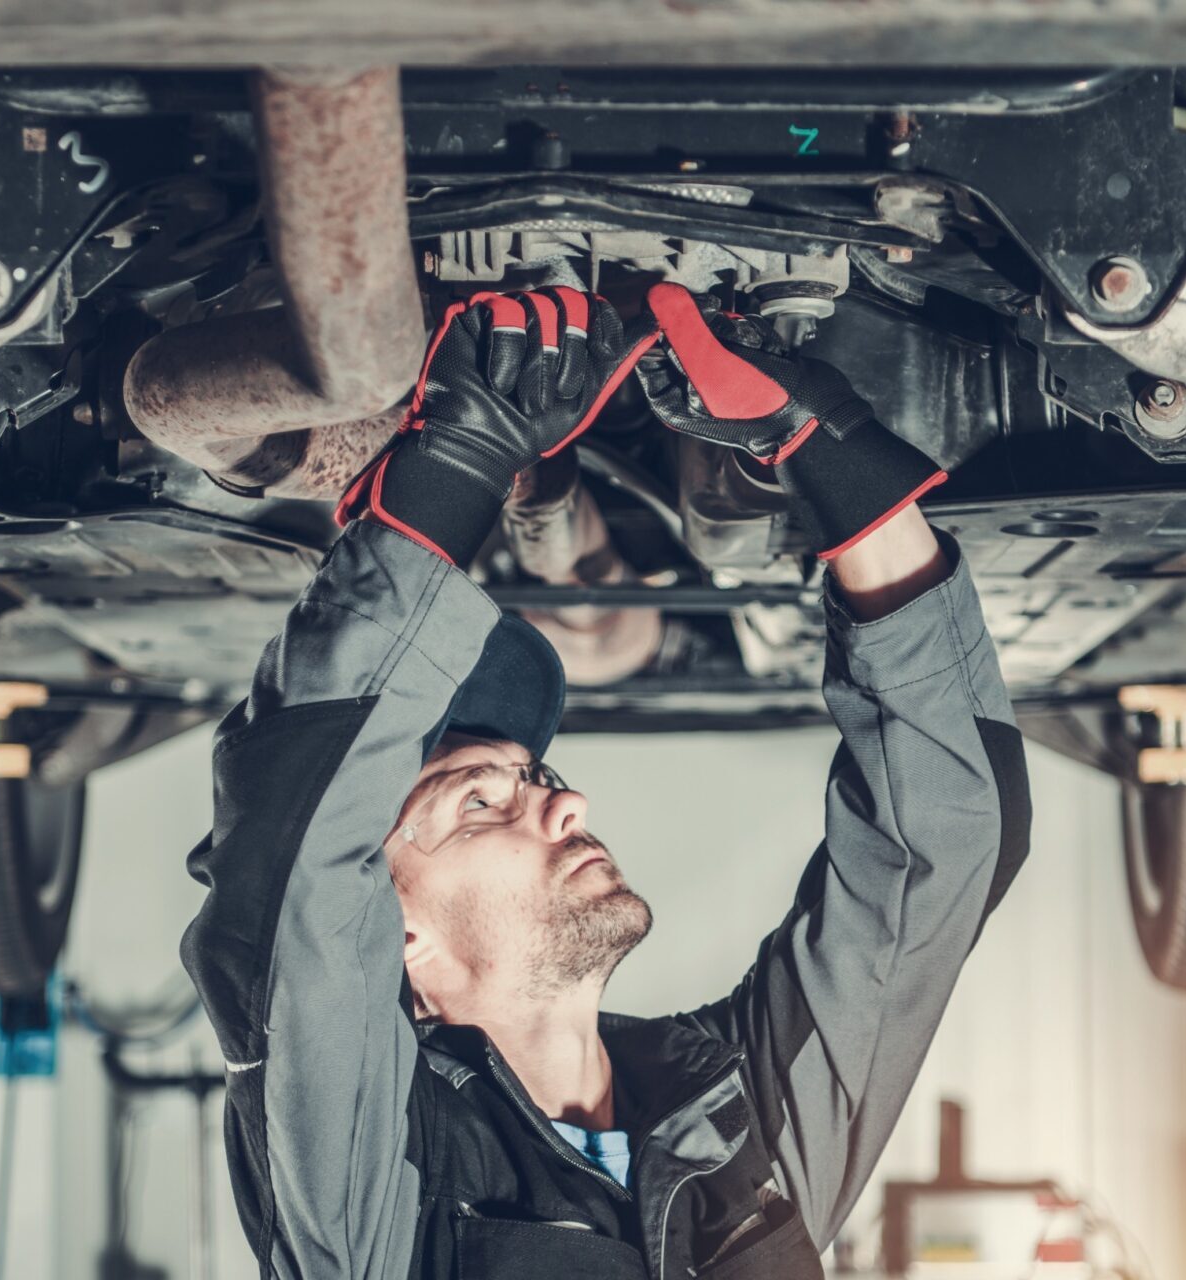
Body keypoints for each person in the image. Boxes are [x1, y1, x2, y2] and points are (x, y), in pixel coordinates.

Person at [179, 282, 1032, 1279]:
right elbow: (942, 851)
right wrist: (833, 452)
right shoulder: (728, 1135)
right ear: (400, 936)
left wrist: (460, 461)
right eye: (487, 797)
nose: (566, 798)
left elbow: (284, 876)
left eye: (511, 785)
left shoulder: (373, 1227)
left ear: (397, 935)